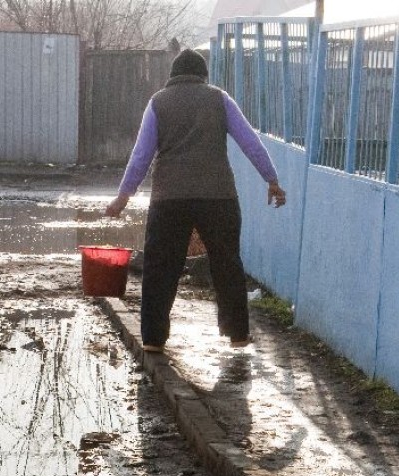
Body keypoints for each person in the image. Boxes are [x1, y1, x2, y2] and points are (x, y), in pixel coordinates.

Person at [105, 47, 287, 354]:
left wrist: (122, 197)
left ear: (172, 76)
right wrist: (271, 180)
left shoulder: (158, 103)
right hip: (218, 197)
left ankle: (152, 339)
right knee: (227, 263)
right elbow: (249, 140)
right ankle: (238, 334)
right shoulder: (219, 98)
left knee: (161, 266)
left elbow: (141, 156)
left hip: (169, 199)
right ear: (203, 76)